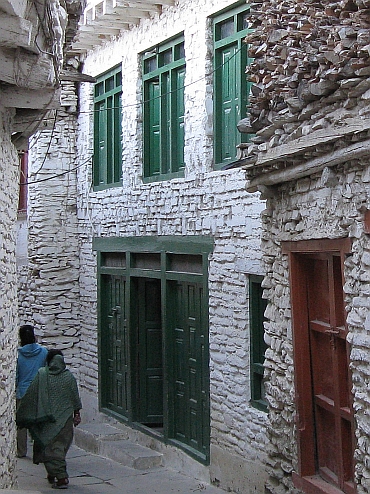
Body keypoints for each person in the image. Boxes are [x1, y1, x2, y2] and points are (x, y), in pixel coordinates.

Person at [16, 349, 82, 490]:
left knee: (50, 449)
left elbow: (31, 395)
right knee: (58, 449)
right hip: (65, 422)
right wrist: (77, 413)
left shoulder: (42, 374)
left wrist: (25, 413)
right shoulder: (68, 377)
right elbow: (75, 398)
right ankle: (54, 473)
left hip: (46, 421)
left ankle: (62, 478)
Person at [16, 324, 48, 457]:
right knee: (38, 422)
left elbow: (16, 376)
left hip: (22, 393)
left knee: (21, 424)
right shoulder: (44, 352)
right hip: (38, 391)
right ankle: (38, 452)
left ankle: (21, 451)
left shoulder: (18, 355)